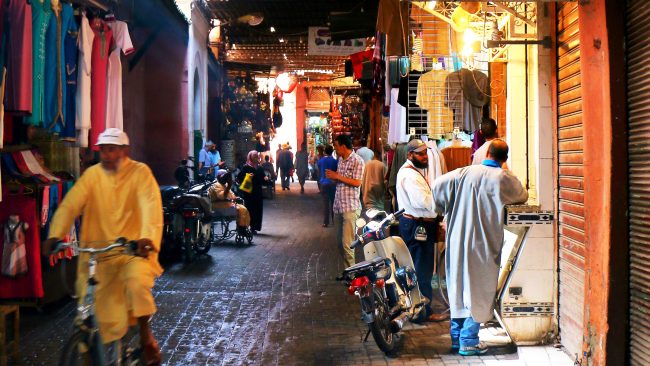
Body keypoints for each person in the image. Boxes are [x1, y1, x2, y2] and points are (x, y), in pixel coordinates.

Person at [42, 128, 163, 365]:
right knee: (89, 303)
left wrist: (145, 239)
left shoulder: (141, 173)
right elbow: (70, 205)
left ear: (124, 151)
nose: (106, 155)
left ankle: (145, 337)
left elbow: (150, 207)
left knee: (136, 283)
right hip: (98, 255)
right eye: (103, 151)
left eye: (111, 150)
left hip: (132, 252)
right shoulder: (92, 175)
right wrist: (54, 235)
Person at [432, 139, 528, 356]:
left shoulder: (462, 172)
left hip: (457, 239)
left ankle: (457, 337)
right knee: (479, 289)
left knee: (458, 287)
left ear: (486, 154)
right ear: (504, 159)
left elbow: (437, 186)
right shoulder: (502, 178)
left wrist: (439, 207)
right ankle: (469, 339)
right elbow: (521, 195)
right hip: (482, 242)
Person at [395, 139, 442, 323]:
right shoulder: (410, 175)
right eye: (420, 154)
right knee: (421, 270)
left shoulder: (414, 172)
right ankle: (422, 312)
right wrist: (441, 204)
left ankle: (418, 309)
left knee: (419, 268)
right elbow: (423, 202)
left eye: (425, 153)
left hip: (416, 224)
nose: (424, 157)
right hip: (417, 226)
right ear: (409, 155)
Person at [326, 135, 364, 268]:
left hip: (350, 208)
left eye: (336, 146)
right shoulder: (340, 160)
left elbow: (357, 182)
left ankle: (351, 274)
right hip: (338, 207)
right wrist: (334, 178)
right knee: (339, 243)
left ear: (343, 146)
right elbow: (341, 181)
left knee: (348, 245)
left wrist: (338, 176)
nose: (335, 149)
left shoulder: (357, 161)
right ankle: (349, 270)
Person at [208, 170, 251, 234]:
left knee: (243, 209)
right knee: (242, 210)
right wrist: (229, 186)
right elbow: (222, 196)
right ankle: (242, 228)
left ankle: (243, 227)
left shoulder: (224, 185)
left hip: (227, 205)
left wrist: (235, 197)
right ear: (218, 177)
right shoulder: (216, 185)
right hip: (220, 206)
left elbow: (231, 195)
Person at [237, 151, 268, 233]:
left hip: (258, 192)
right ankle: (249, 226)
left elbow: (263, 180)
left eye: (256, 156)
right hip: (248, 193)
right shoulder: (246, 167)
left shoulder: (260, 168)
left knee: (258, 210)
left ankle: (255, 227)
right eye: (254, 156)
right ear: (250, 157)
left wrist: (266, 179)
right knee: (250, 209)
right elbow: (239, 178)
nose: (256, 158)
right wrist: (247, 176)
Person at [318, 145, 338, 227]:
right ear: (332, 151)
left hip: (324, 183)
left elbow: (319, 170)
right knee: (334, 203)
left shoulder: (321, 161)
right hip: (332, 184)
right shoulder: (335, 161)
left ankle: (325, 222)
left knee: (325, 204)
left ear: (325, 152)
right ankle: (334, 220)